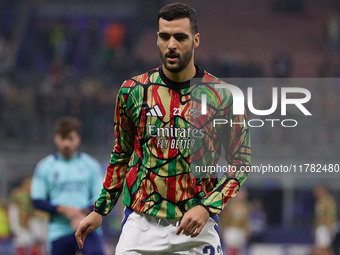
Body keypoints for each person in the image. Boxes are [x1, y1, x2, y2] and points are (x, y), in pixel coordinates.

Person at [75, 2, 251, 254]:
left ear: (196, 39)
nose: (171, 44)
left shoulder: (224, 96)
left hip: (196, 228)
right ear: (157, 38)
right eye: (164, 36)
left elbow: (240, 162)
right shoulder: (132, 91)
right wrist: (100, 209)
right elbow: (121, 154)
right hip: (140, 227)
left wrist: (208, 207)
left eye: (180, 37)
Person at [30, 116, 104, 255]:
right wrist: (61, 209)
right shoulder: (45, 167)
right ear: (55, 138)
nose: (66, 143)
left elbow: (101, 197)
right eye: (62, 138)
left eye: (70, 138)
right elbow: (37, 200)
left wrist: (83, 214)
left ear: (78, 139)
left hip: (88, 228)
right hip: (59, 231)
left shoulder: (91, 165)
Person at [314, 185, 337, 255]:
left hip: (325, 226)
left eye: (318, 191)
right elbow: (318, 216)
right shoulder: (320, 201)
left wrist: (330, 225)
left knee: (323, 248)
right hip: (320, 226)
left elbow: (331, 214)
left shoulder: (328, 201)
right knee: (322, 247)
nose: (315, 192)